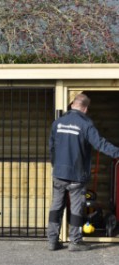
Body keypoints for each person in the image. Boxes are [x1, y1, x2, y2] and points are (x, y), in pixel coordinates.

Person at [47, 93, 119, 251]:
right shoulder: (86, 124)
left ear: (73, 104)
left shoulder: (57, 123)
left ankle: (52, 240)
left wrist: (55, 164)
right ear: (85, 109)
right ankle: (75, 242)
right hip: (76, 175)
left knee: (56, 206)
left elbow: (51, 147)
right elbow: (100, 144)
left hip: (59, 173)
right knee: (76, 208)